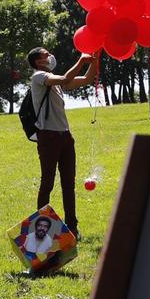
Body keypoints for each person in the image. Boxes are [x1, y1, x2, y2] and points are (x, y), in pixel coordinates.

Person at [26, 46, 97, 238]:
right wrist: (82, 60)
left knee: (69, 183)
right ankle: (40, 230)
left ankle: (72, 228)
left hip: (65, 136)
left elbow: (88, 79)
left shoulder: (54, 81)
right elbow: (66, 78)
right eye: (45, 54)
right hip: (48, 136)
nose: (50, 56)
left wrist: (96, 57)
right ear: (37, 61)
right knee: (47, 182)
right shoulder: (39, 77)